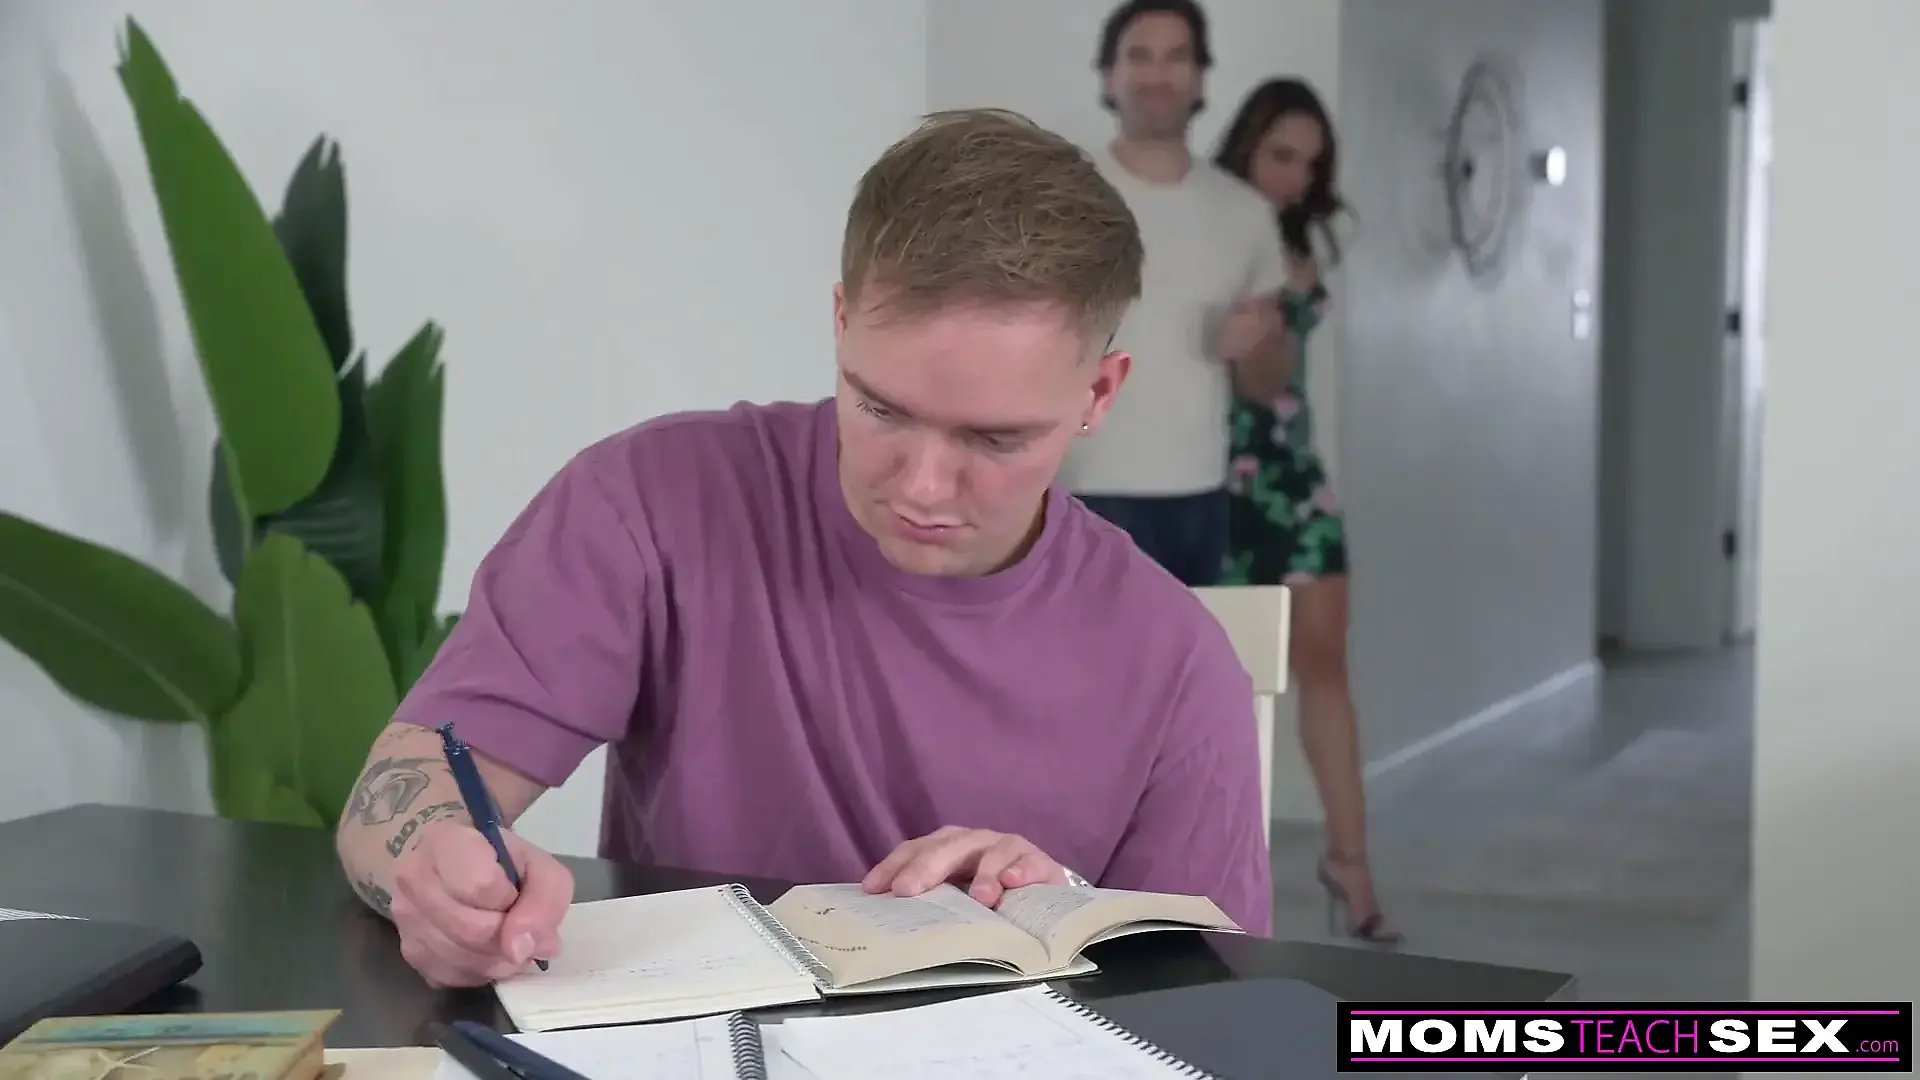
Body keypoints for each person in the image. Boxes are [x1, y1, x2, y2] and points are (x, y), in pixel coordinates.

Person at [332, 108, 1275, 989]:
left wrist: (1061, 903)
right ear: (840, 321)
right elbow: (403, 793)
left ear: (1099, 394)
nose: (921, 486)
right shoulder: (649, 501)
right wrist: (441, 872)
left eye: (995, 440)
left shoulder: (1179, 664)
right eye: (881, 409)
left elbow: (1211, 1004)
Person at [1213, 77, 1400, 945]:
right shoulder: (1200, 226)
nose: (1295, 177)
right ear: (1246, 145)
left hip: (1294, 477)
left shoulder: (1294, 245)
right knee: (1220, 685)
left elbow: (1275, 375)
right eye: (1281, 155)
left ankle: (1351, 866)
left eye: (1310, 164)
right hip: (1209, 478)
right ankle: (1217, 880)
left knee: (1326, 664)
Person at [1067, 0, 1296, 587]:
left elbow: (1268, 383)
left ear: (1199, 77)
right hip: (1082, 488)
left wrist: (1254, 346)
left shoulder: (1244, 213)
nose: (1157, 73)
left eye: (1175, 57)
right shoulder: (1062, 197)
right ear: (1108, 76)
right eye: (1139, 56)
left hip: (1199, 494)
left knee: (1187, 650)